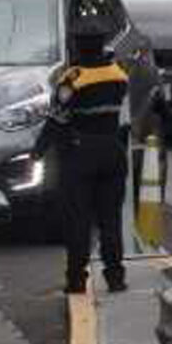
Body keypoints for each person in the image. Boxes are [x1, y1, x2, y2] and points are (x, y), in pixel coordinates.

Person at [48, 22, 132, 295]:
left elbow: (57, 120)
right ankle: (115, 277)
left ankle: (76, 279)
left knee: (79, 219)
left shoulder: (72, 78)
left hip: (81, 152)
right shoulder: (119, 75)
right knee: (110, 219)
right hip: (113, 151)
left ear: (77, 45)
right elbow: (124, 117)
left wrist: (38, 151)